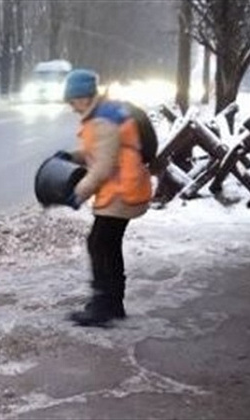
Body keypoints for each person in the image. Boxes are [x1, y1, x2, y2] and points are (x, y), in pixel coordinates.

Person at [56, 69, 152, 327]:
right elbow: (98, 152)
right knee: (107, 245)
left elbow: (102, 167)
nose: (72, 107)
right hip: (124, 189)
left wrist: (77, 194)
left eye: (73, 101)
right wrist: (72, 157)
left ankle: (103, 306)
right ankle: (113, 303)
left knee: (98, 244)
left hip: (121, 192)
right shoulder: (103, 114)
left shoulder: (103, 122)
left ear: (85, 98)